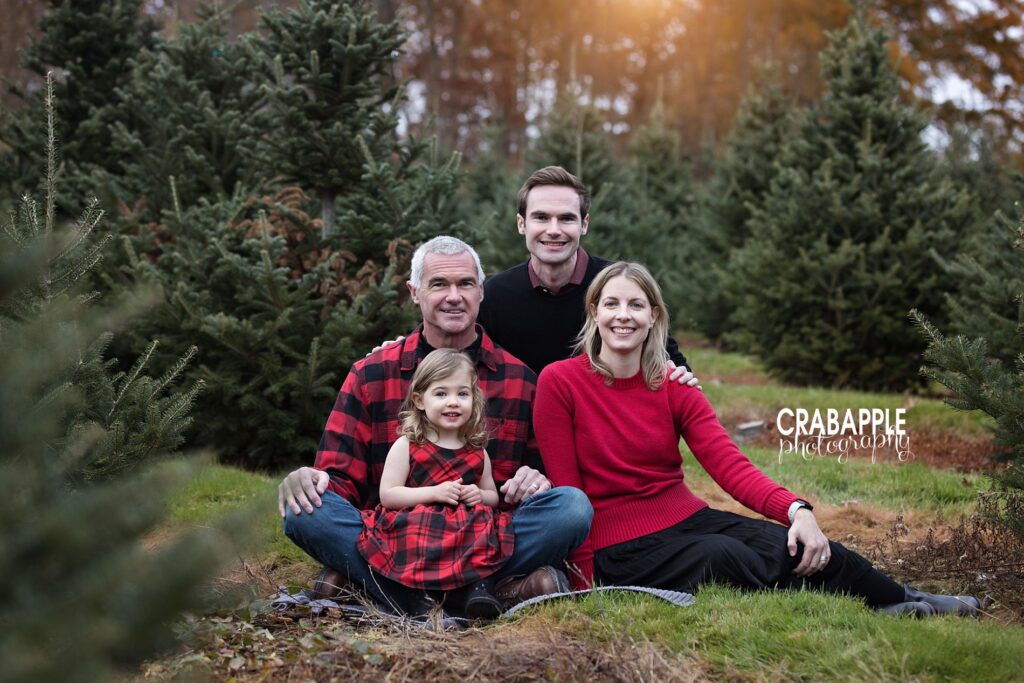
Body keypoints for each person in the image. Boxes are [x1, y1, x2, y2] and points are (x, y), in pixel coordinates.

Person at [534, 261, 980, 618]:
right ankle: (873, 607)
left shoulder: (674, 386)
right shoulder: (561, 382)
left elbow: (729, 465)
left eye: (635, 305)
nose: (623, 316)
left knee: (790, 543)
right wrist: (585, 580)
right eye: (611, 304)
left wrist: (797, 509)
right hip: (618, 543)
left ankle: (898, 596)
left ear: (653, 317)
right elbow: (570, 492)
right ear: (595, 312)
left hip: (685, 517)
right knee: (723, 556)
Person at [279, 236, 591, 615]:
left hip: (483, 540)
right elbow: (338, 477)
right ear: (415, 292)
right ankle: (472, 596)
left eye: (465, 284)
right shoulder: (372, 374)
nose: (454, 296)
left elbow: (544, 474)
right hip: (396, 539)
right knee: (303, 510)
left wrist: (537, 480)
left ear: (481, 291)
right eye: (439, 284)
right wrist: (312, 483)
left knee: (571, 508)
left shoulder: (520, 380)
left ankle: (387, 594)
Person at [478, 165, 698, 384]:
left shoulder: (620, 286)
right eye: (541, 217)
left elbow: (667, 358)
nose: (554, 230)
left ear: (584, 224)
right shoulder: (496, 294)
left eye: (566, 218)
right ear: (521, 224)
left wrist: (682, 376)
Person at [358, 349, 514, 619]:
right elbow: (388, 495)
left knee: (487, 524)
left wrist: (478, 495)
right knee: (417, 530)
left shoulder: (477, 450)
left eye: (462, 394)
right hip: (420, 526)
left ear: (474, 400)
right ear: (419, 400)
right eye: (441, 394)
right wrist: (433, 493)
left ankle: (479, 588)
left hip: (464, 528)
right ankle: (423, 597)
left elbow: (492, 497)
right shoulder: (408, 445)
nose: (453, 402)